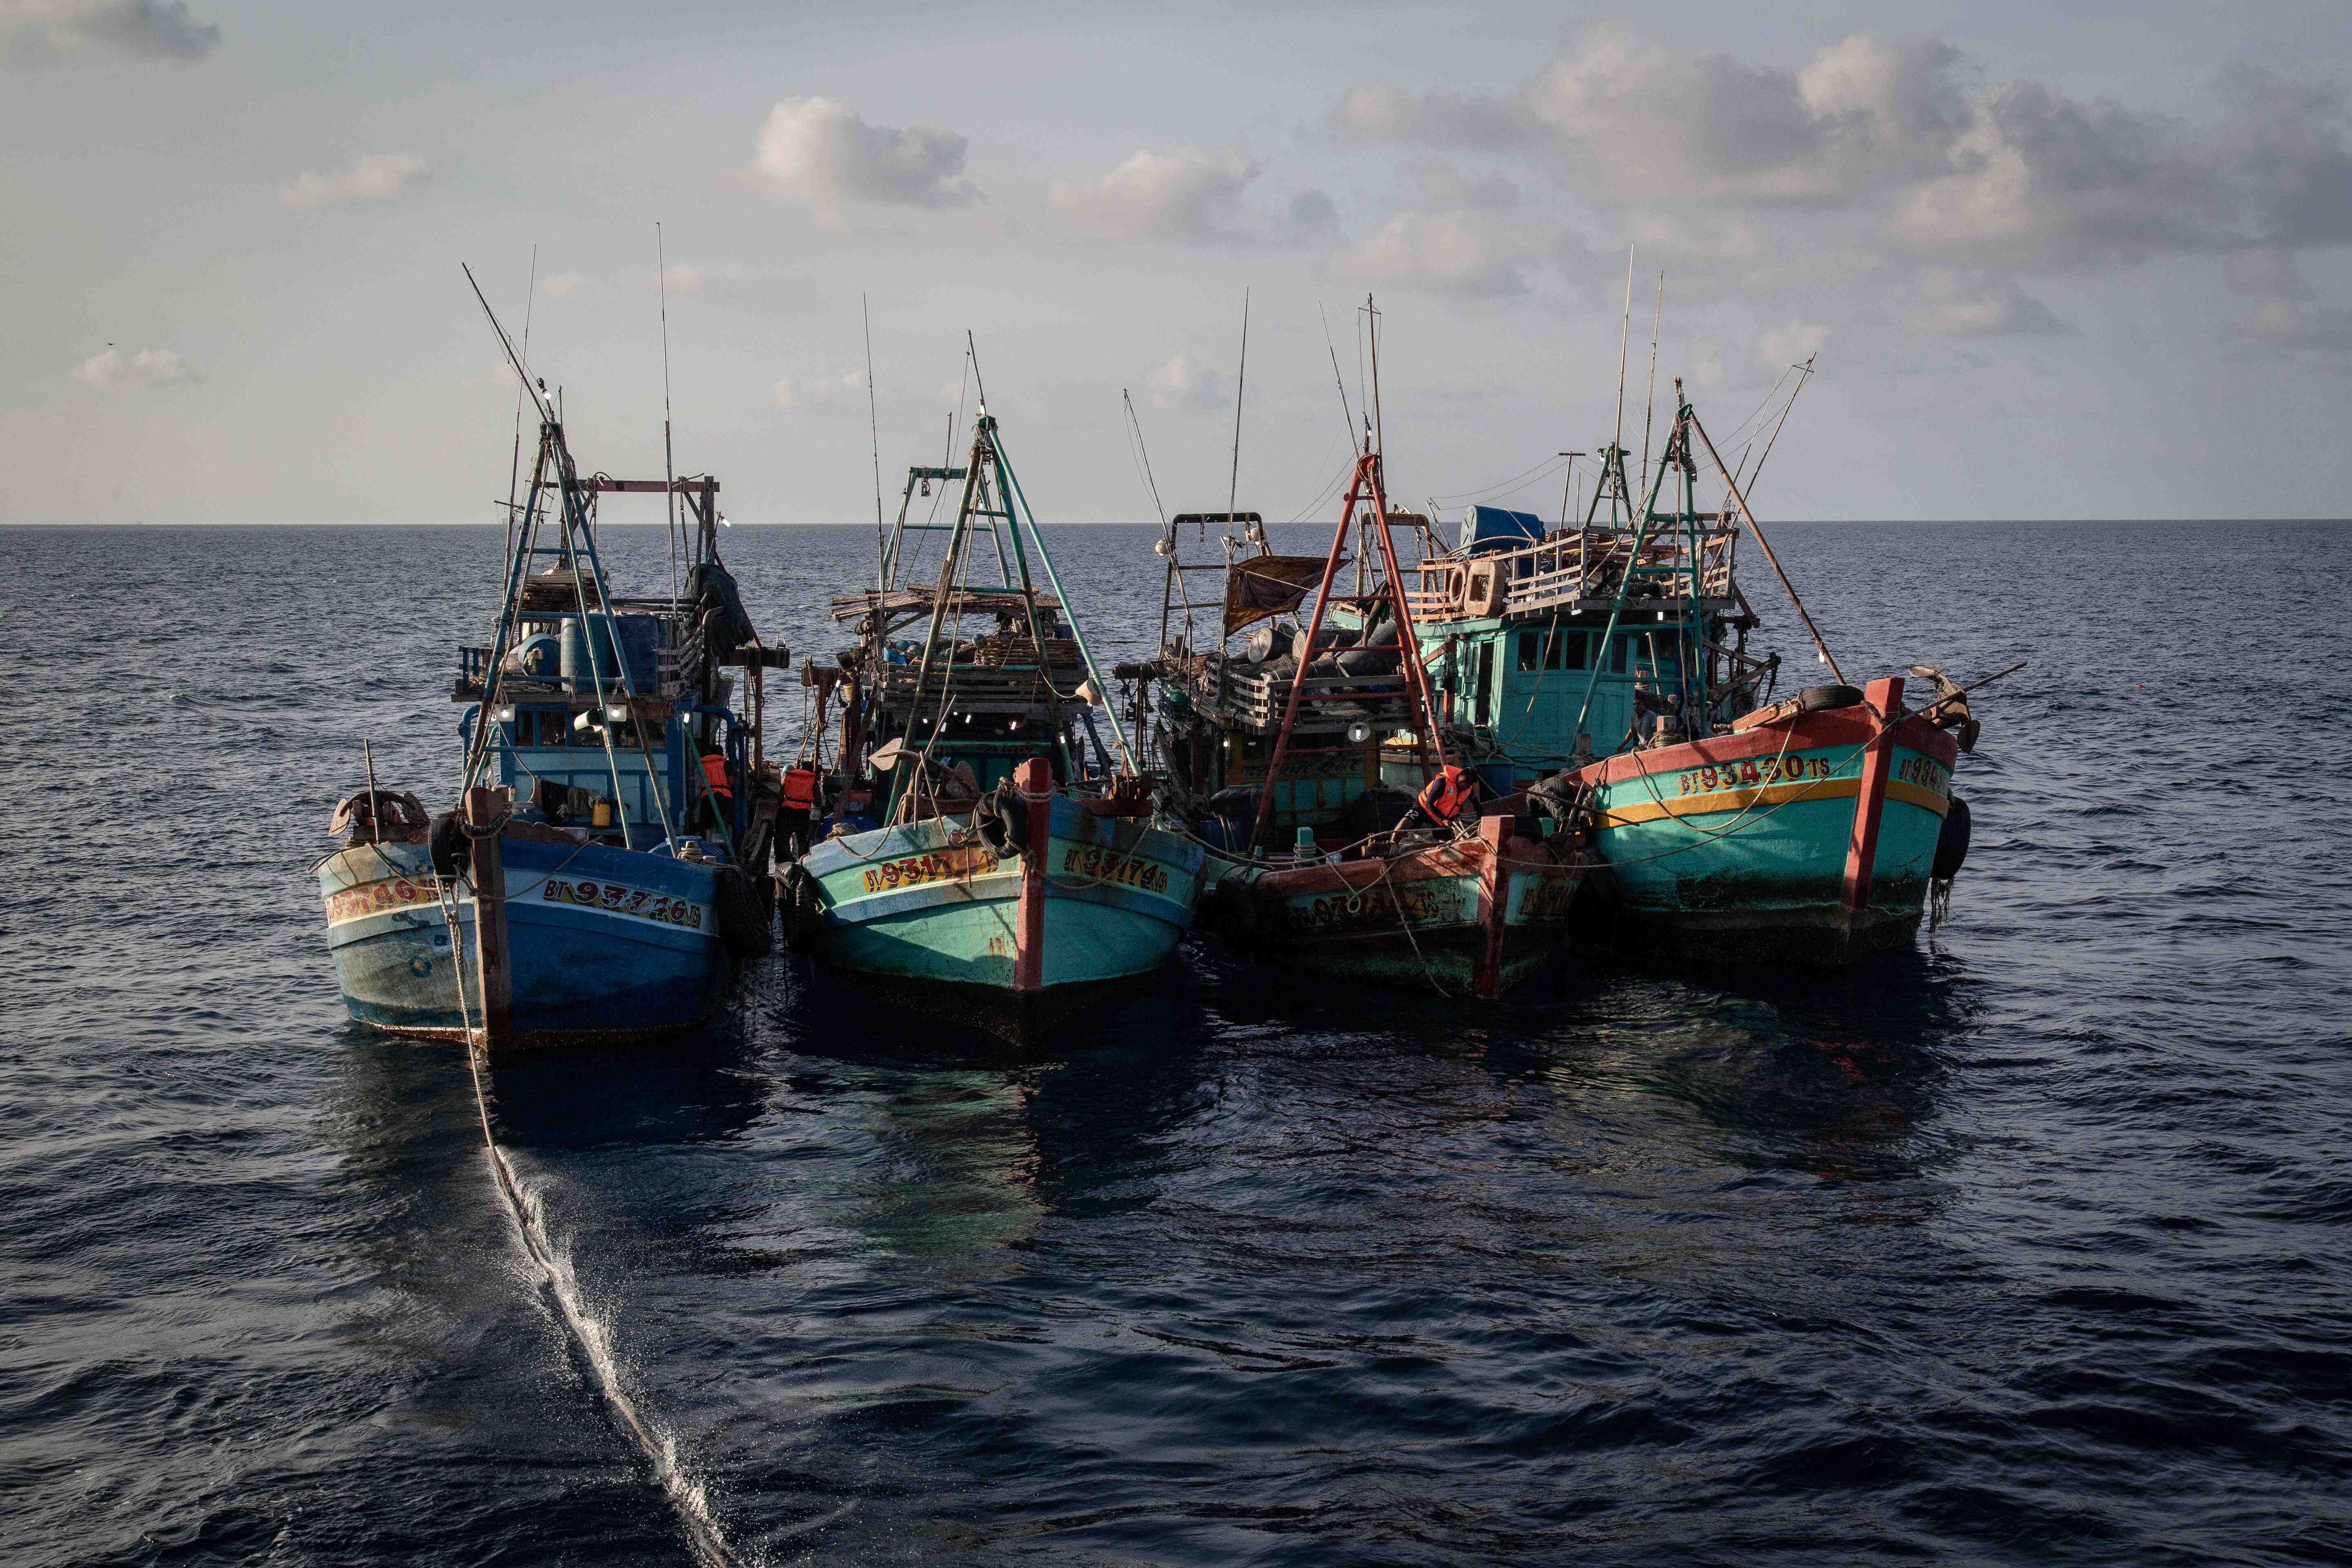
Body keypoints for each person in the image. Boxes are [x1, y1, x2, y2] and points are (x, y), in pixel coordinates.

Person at [1400, 763, 1478, 833]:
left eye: (1470, 786)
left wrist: (1481, 819)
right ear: (1461, 782)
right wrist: (1443, 819)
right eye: (1468, 786)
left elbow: (1477, 805)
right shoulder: (1442, 782)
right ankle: (1392, 844)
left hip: (1441, 816)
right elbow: (1429, 803)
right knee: (1405, 823)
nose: (1469, 788)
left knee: (1446, 843)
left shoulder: (1468, 788)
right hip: (1424, 807)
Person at [778, 761, 818, 859]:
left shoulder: (790, 776)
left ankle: (787, 859)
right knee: (802, 840)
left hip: (787, 809)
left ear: (800, 768)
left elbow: (781, 794)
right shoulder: (813, 779)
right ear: (812, 770)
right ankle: (802, 861)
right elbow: (818, 802)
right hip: (803, 812)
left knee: (785, 838)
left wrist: (782, 806)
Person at [699, 748, 733, 835]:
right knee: (724, 820)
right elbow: (731, 781)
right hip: (724, 795)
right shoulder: (725, 763)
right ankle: (725, 839)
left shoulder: (702, 763)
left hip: (707, 796)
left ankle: (705, 840)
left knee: (706, 823)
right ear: (721, 754)